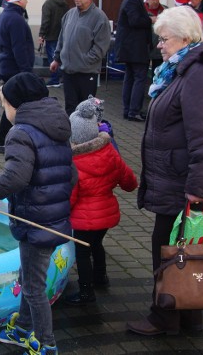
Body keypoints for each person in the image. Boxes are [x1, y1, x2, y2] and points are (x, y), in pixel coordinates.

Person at [126, 6, 203, 336]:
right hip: (178, 182)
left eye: (163, 39)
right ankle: (189, 316)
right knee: (189, 252)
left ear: (186, 38)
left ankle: (165, 318)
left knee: (170, 250)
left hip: (185, 187)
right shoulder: (184, 71)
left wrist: (197, 190)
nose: (159, 45)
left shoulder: (199, 75)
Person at [0, 72, 73, 355]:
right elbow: (70, 175)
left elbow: (15, 177)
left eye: (5, 106)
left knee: (33, 288)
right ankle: (23, 328)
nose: (5, 112)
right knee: (29, 280)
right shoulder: (57, 126)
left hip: (36, 222)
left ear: (18, 106)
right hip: (54, 218)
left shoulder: (21, 132)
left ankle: (46, 343)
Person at [64, 97, 137, 306]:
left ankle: (86, 292)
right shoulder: (110, 151)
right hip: (106, 214)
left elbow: (71, 197)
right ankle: (101, 277)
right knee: (97, 244)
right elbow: (129, 180)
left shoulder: (74, 163)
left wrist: (60, 211)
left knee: (83, 253)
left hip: (83, 218)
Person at [50, 0, 111, 116]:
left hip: (86, 73)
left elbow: (101, 47)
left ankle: (85, 136)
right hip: (68, 72)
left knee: (86, 111)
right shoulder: (69, 14)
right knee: (70, 108)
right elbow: (62, 39)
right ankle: (71, 136)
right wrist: (57, 59)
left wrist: (84, 60)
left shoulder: (99, 18)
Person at [0, 0, 35, 154]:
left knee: (11, 103)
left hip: (7, 66)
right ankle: (4, 140)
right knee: (12, 106)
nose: (27, 1)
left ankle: (5, 139)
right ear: (19, 0)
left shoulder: (5, 15)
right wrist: (26, 71)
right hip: (16, 69)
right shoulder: (16, 19)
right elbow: (19, 47)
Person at [115, 0, 153, 123]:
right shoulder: (132, 1)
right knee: (138, 79)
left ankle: (129, 110)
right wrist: (151, 20)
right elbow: (135, 21)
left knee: (130, 78)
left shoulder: (131, 0)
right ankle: (133, 110)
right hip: (135, 49)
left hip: (131, 49)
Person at [39, 0, 68, 87]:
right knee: (62, 57)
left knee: (53, 58)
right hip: (63, 34)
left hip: (51, 35)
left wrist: (41, 34)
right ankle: (62, 79)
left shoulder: (47, 4)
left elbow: (45, 21)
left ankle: (55, 79)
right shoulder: (64, 3)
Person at [144, 0, 167, 71]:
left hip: (159, 46)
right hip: (146, 46)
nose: (156, 1)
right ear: (147, 0)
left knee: (158, 70)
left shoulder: (165, 10)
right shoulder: (142, 11)